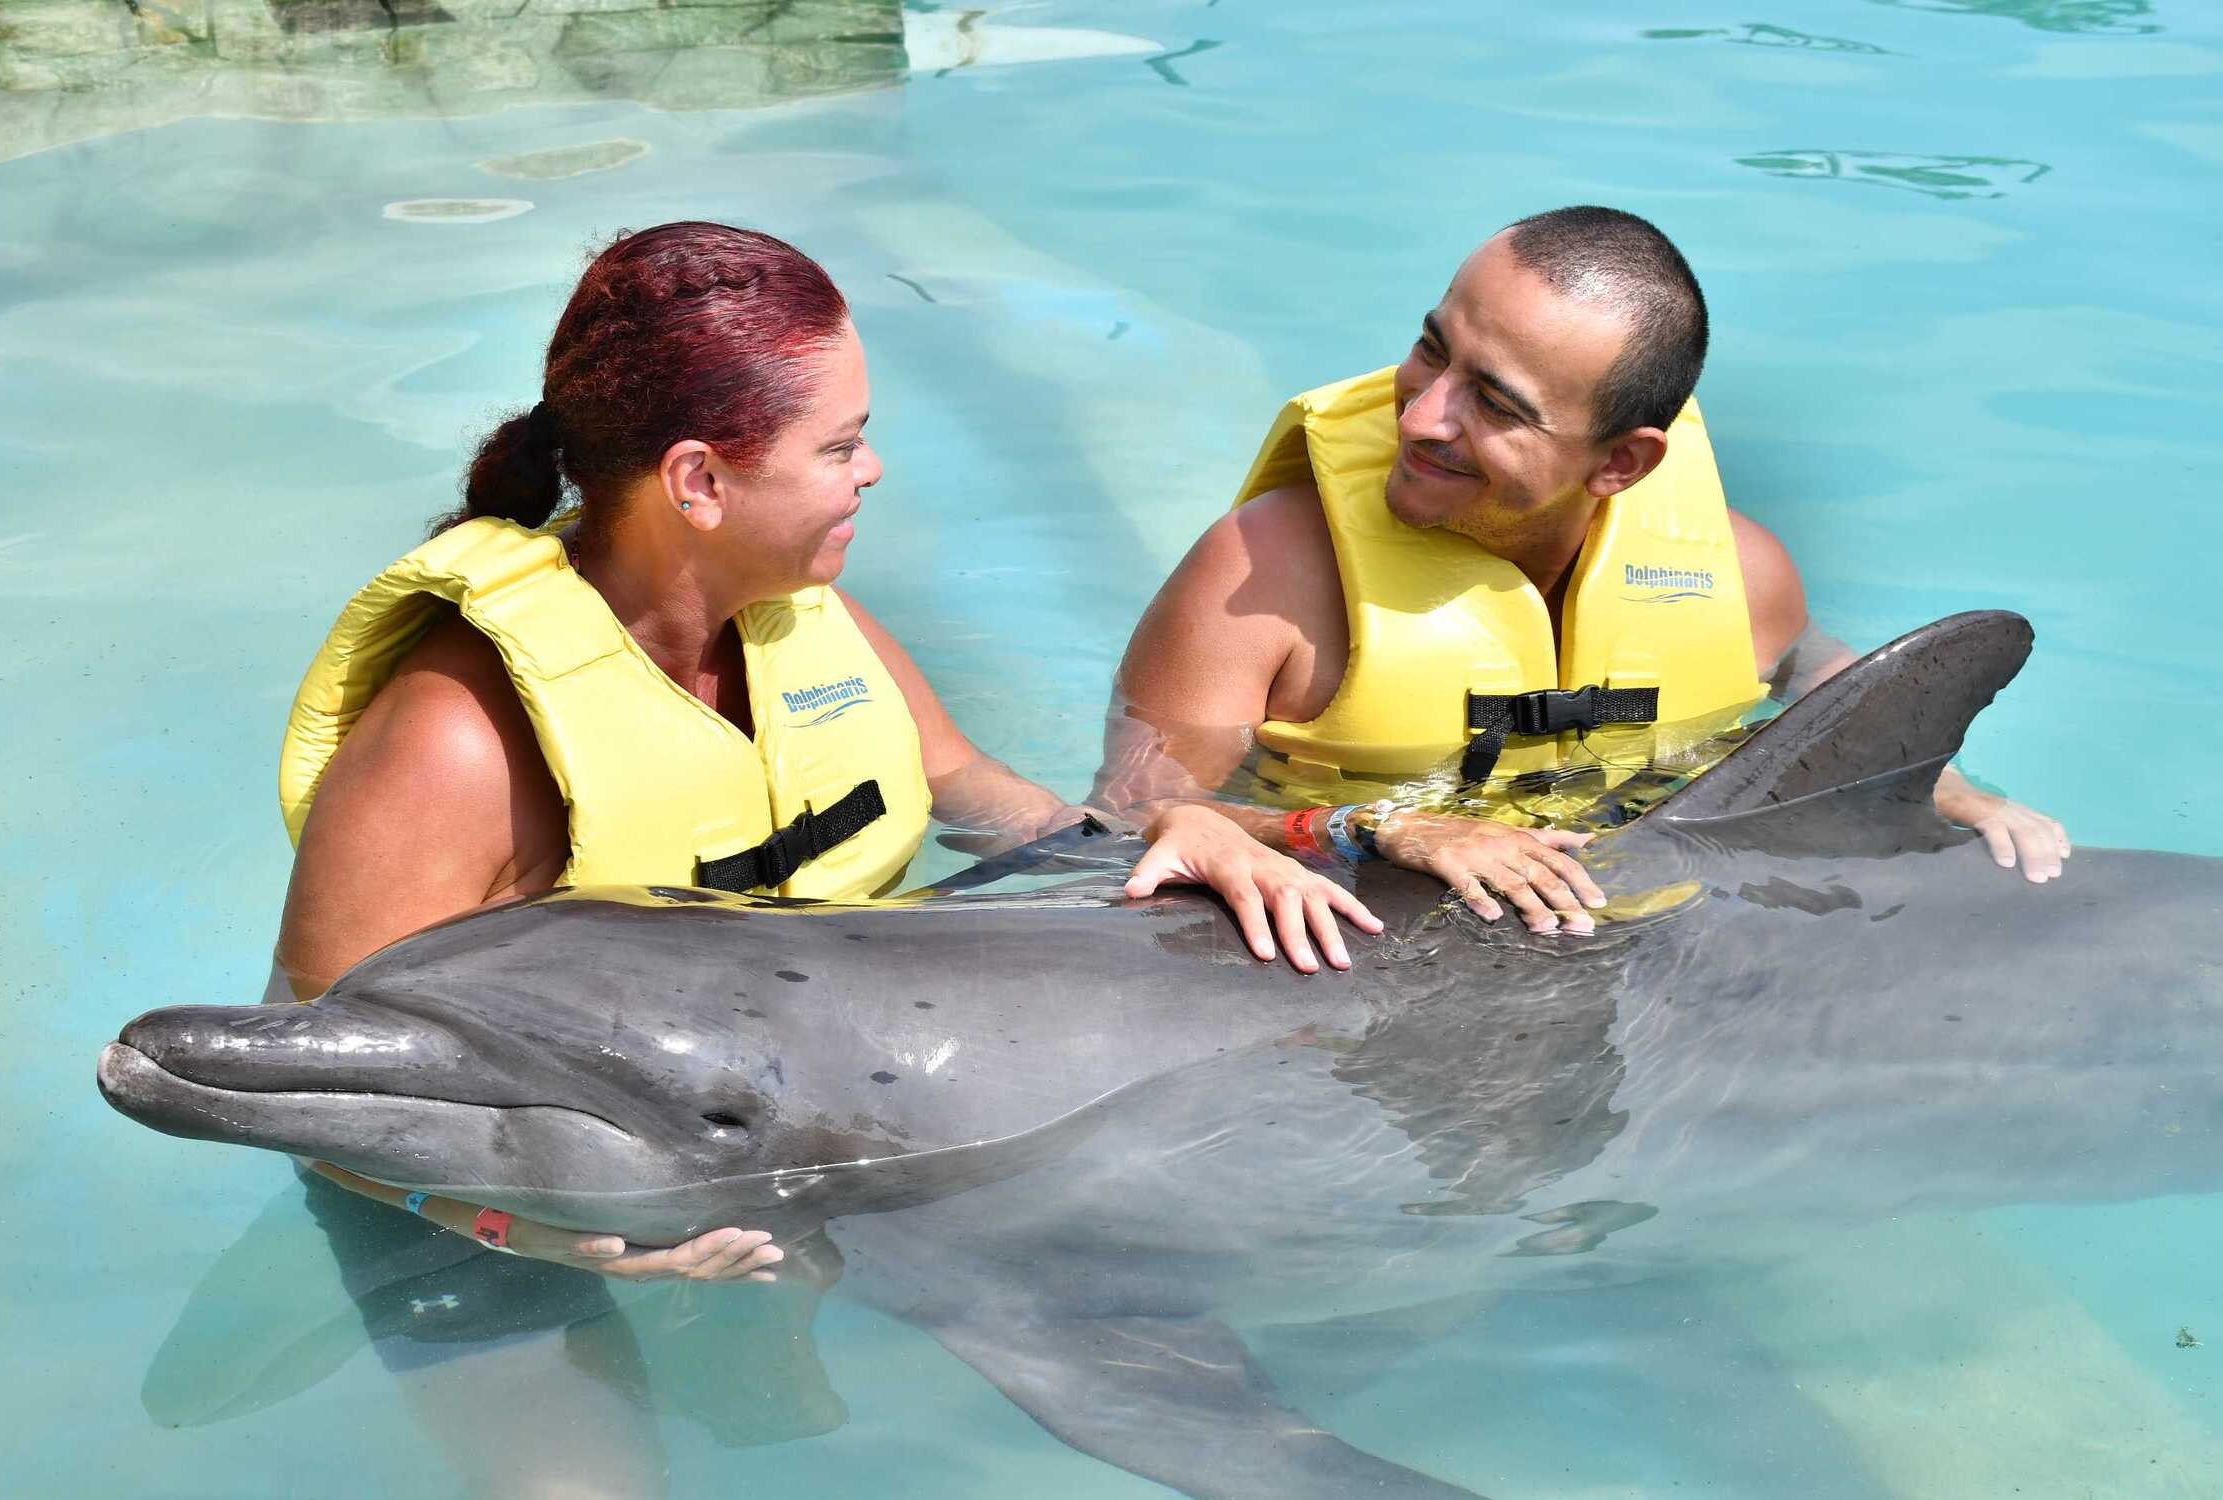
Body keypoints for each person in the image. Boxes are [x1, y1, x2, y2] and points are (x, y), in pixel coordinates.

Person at [263, 222, 1378, 1492]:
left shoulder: (807, 621)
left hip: (765, 1134)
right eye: (840, 445)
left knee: (776, 1433)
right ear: (699, 482)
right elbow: (319, 1092)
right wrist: (537, 1234)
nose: (875, 469)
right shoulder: (454, 742)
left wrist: (1187, 829)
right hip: (493, 1203)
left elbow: (997, 811)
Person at [1102, 206, 2069, 936]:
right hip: (1376, 929)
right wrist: (1380, 828)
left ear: (1622, 465)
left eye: (1494, 404)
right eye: (1432, 349)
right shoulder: (1264, 575)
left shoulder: (1739, 574)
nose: (1420, 417)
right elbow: (1130, 812)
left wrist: (1948, 787)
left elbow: (1813, 676)